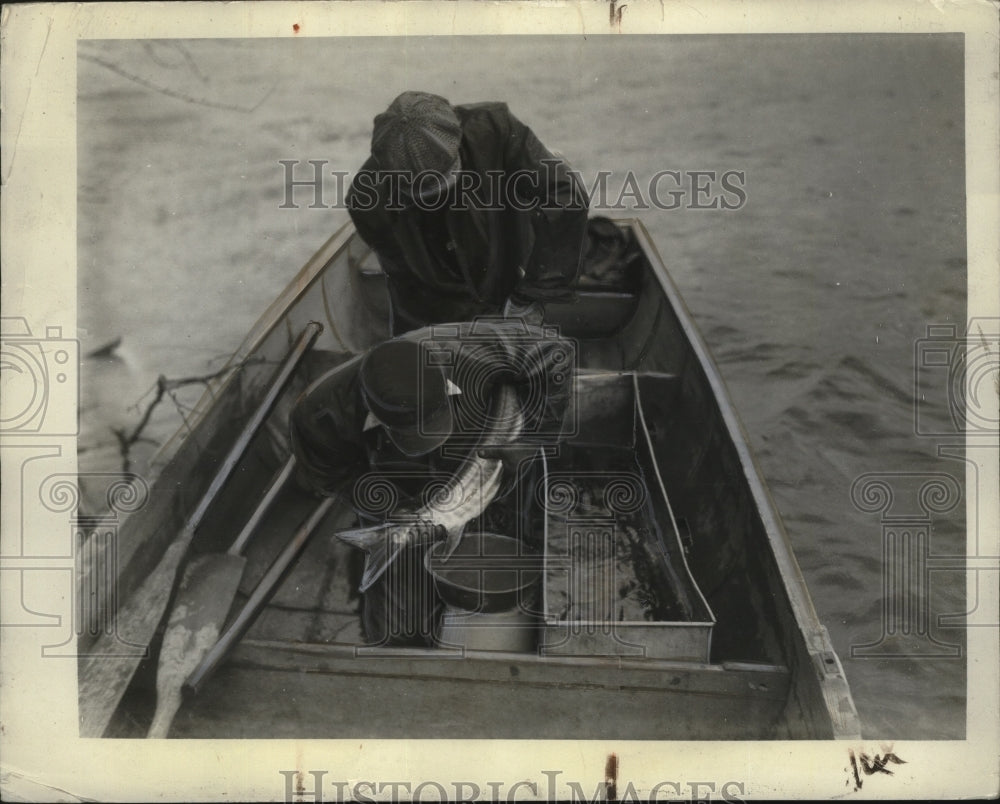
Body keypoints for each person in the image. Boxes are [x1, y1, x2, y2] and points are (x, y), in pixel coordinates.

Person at [289, 319, 575, 645]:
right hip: (392, 482)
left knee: (498, 560)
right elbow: (331, 476)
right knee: (398, 618)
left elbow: (558, 353)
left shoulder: (472, 348)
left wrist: (532, 440)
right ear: (375, 414)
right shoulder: (317, 414)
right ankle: (397, 652)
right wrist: (391, 508)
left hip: (485, 450)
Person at [347, 91, 591, 333]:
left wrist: (532, 296)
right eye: (427, 195)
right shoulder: (366, 201)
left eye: (444, 185)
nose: (438, 198)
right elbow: (410, 289)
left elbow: (566, 198)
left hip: (505, 253)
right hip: (436, 286)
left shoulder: (496, 127)